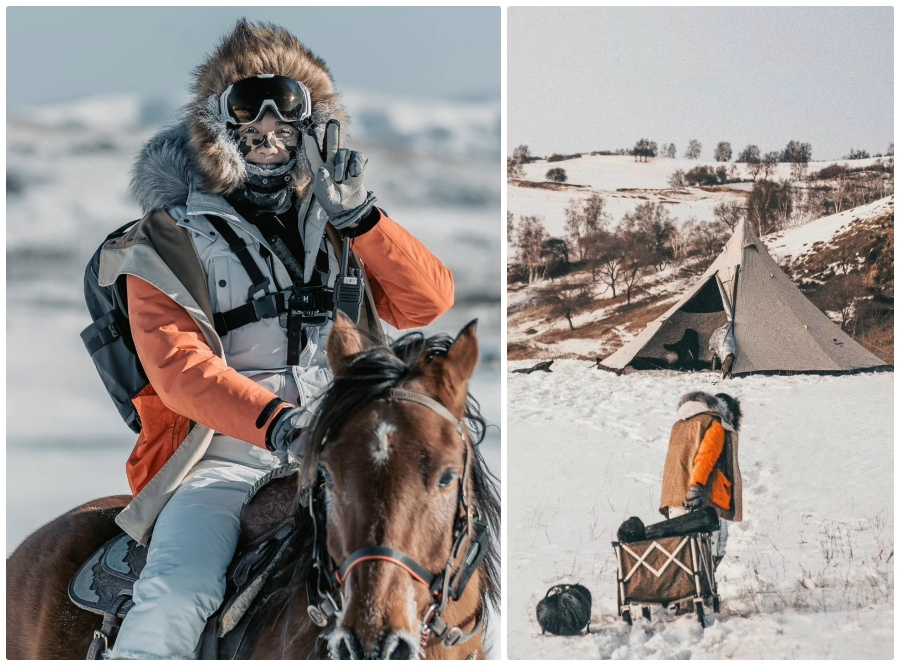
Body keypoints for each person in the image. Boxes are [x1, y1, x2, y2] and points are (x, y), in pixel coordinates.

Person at [105, 20, 454, 659]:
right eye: (250, 120)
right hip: (221, 462)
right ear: (219, 129)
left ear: (312, 127)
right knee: (176, 593)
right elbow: (177, 368)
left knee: (435, 564)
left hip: (347, 450)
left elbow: (426, 302)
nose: (268, 135)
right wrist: (280, 425)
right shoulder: (164, 239)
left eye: (285, 121)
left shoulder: (343, 221)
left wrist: (362, 218)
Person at [659, 391, 743, 569]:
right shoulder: (715, 423)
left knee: (681, 553)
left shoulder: (680, 425)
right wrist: (695, 487)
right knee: (710, 552)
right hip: (702, 498)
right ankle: (705, 593)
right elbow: (706, 457)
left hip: (674, 497)